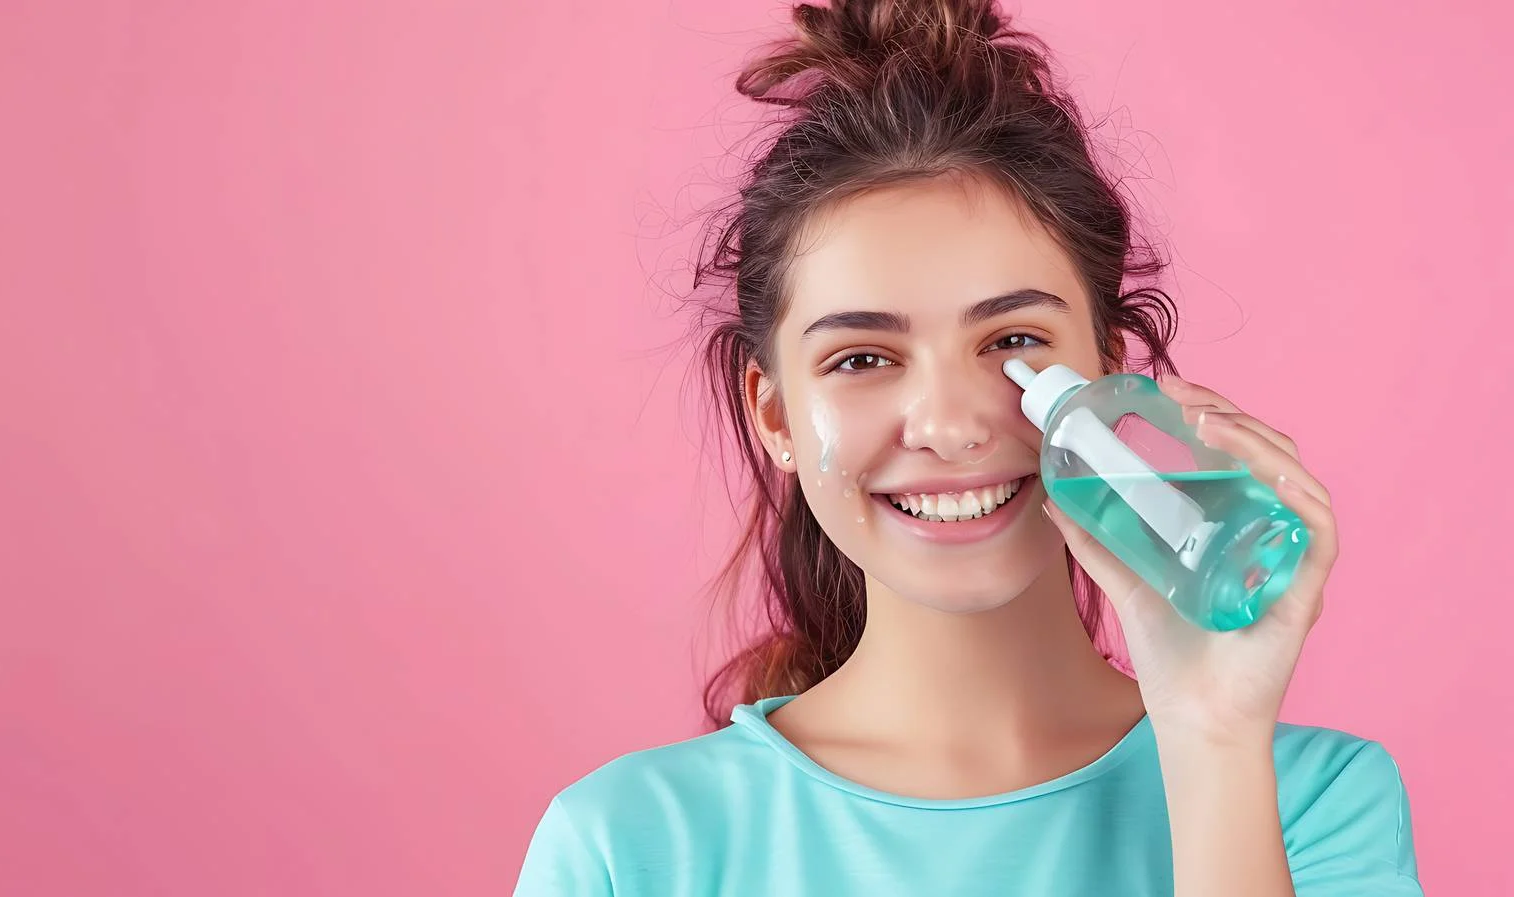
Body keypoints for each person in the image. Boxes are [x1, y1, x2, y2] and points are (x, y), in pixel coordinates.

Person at [512, 1, 1423, 894]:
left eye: (1013, 341)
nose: (949, 426)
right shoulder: (626, 848)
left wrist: (1213, 741)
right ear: (776, 414)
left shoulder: (1312, 804)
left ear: (1107, 371)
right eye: (862, 358)